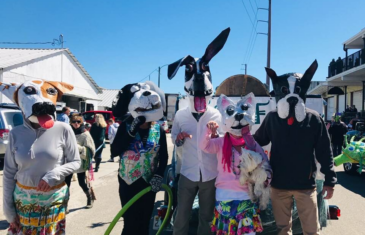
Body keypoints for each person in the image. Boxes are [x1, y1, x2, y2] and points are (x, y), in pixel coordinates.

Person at [255, 62, 337, 235]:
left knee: (311, 230)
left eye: (297, 91)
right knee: (283, 230)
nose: (292, 97)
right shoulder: (272, 118)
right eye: (285, 91)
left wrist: (330, 181)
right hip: (279, 186)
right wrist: (234, 138)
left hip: (305, 186)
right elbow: (257, 142)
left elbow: (325, 151)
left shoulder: (313, 119)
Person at [2, 80, 80, 235]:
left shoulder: (63, 129)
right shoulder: (15, 134)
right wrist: (9, 211)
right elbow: (9, 173)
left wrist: (54, 174)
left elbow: (76, 162)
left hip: (53, 200)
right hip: (23, 203)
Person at [111, 82, 168, 235]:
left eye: (146, 109)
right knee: (130, 223)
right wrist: (131, 131)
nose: (144, 112)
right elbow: (114, 151)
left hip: (148, 183)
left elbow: (163, 156)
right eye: (140, 109)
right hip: (128, 181)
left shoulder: (159, 129)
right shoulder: (126, 125)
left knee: (144, 222)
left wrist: (159, 176)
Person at [65, 114, 96, 208]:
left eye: (78, 122)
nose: (76, 124)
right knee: (66, 183)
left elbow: (91, 150)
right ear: (70, 122)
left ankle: (89, 197)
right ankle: (65, 204)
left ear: (81, 122)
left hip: (80, 162)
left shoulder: (85, 134)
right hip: (68, 161)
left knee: (82, 182)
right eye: (74, 122)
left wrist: (79, 148)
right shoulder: (67, 132)